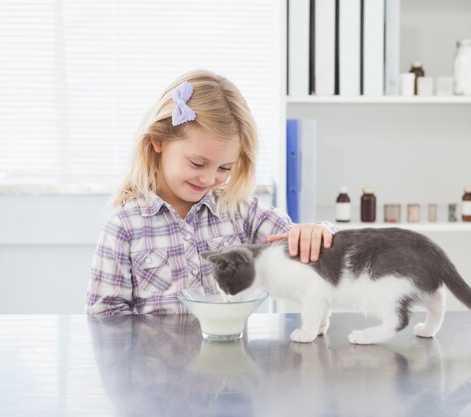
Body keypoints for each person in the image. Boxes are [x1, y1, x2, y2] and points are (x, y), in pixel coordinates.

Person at [86, 69, 335, 315]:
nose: (208, 179)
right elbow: (104, 318)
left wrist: (316, 233)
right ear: (158, 141)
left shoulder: (241, 212)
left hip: (232, 355)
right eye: (197, 163)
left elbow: (303, 244)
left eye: (224, 168)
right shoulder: (124, 225)